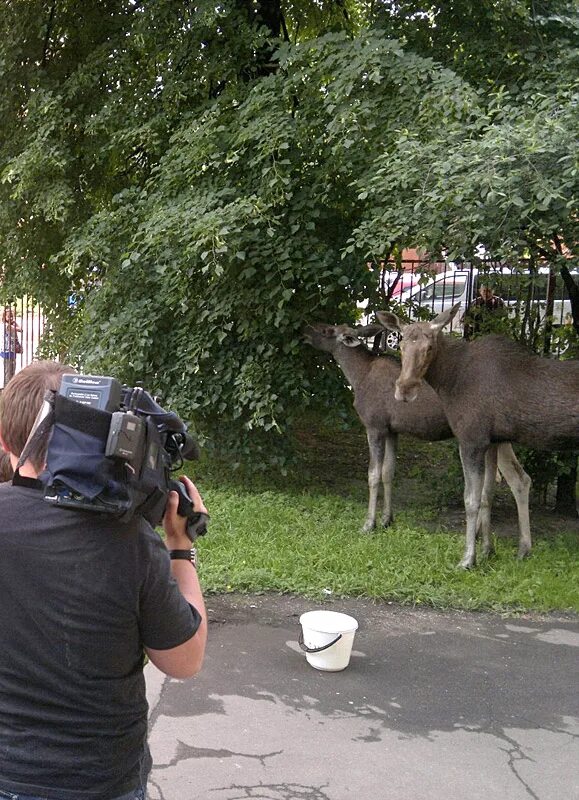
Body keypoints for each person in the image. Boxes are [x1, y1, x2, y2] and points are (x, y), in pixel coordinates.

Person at [0, 361, 208, 800]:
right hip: (98, 780)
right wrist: (179, 548)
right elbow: (183, 662)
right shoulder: (130, 540)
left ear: (4, 441)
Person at [1, 306, 22, 385]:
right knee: (8, 373)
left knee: (12, 372)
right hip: (6, 352)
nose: (10, 318)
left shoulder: (12, 324)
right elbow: (19, 329)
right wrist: (13, 323)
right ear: (4, 316)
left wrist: (14, 322)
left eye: (12, 316)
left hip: (12, 351)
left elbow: (20, 329)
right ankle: (6, 390)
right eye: (8, 316)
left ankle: (10, 389)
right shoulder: (5, 325)